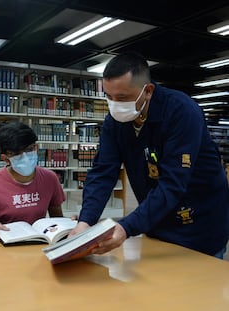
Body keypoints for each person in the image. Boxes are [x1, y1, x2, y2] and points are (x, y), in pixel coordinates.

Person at [69, 52, 229, 258]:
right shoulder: (115, 121)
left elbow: (173, 182)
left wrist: (126, 228)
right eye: (109, 97)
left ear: (148, 91)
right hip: (156, 223)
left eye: (123, 97)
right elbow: (102, 172)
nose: (115, 105)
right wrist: (85, 222)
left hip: (199, 224)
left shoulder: (181, 111)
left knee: (196, 285)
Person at [0, 121, 66, 239]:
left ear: (37, 148)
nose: (25, 157)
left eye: (29, 149)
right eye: (17, 154)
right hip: (5, 246)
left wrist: (69, 224)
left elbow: (57, 218)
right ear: (5, 159)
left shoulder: (50, 178)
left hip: (40, 244)